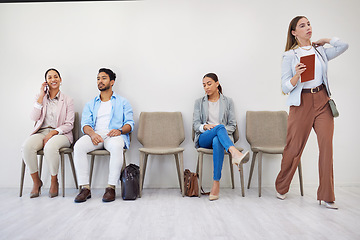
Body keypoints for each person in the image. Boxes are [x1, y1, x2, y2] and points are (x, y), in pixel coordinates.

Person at [275, 16, 349, 209]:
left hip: (323, 100)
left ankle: (327, 196)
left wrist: (325, 40)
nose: (308, 28)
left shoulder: (320, 51)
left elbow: (343, 45)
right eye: (302, 25)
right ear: (294, 32)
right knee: (294, 148)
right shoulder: (290, 56)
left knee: (326, 148)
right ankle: (281, 186)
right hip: (302, 103)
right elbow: (284, 86)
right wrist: (296, 76)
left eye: (308, 24)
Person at [74, 68, 134, 203]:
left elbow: (130, 124)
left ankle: (111, 187)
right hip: (95, 135)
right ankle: (85, 188)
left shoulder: (123, 102)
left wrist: (119, 130)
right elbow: (85, 124)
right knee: (78, 146)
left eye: (104, 78)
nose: (100, 81)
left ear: (112, 82)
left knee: (117, 146)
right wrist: (92, 134)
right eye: (98, 78)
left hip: (114, 135)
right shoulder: (91, 103)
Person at [193, 73, 249, 201]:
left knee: (217, 138)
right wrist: (206, 127)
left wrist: (220, 130)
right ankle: (234, 152)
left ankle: (216, 184)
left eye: (209, 84)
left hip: (221, 138)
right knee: (219, 128)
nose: (206, 87)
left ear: (217, 83)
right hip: (204, 138)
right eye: (204, 85)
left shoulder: (228, 101)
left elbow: (232, 125)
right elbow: (196, 125)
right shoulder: (199, 102)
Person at [22, 68, 75, 198]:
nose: (53, 79)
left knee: (51, 147)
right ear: (46, 81)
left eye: (56, 76)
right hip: (41, 132)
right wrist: (41, 96)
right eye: (50, 77)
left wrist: (53, 133)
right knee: (27, 147)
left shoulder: (68, 100)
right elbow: (34, 118)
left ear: (60, 80)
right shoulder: (41, 98)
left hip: (61, 134)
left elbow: (69, 124)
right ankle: (36, 182)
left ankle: (53, 181)